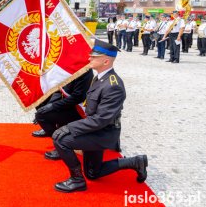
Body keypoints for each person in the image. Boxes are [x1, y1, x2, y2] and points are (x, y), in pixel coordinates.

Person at [51, 39, 148, 193]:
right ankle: (136, 162)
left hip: (104, 133)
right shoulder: (100, 77)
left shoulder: (113, 85)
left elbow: (101, 120)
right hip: (95, 129)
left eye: (94, 57)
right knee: (93, 174)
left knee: (61, 139)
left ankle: (77, 180)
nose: (89, 58)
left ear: (106, 61)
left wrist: (69, 127)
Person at [32, 69, 94, 160]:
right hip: (66, 102)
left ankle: (62, 144)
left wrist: (52, 106)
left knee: (42, 116)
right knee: (39, 99)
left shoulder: (85, 71)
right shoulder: (67, 66)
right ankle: (52, 130)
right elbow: (59, 90)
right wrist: (48, 106)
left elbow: (77, 97)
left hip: (78, 109)